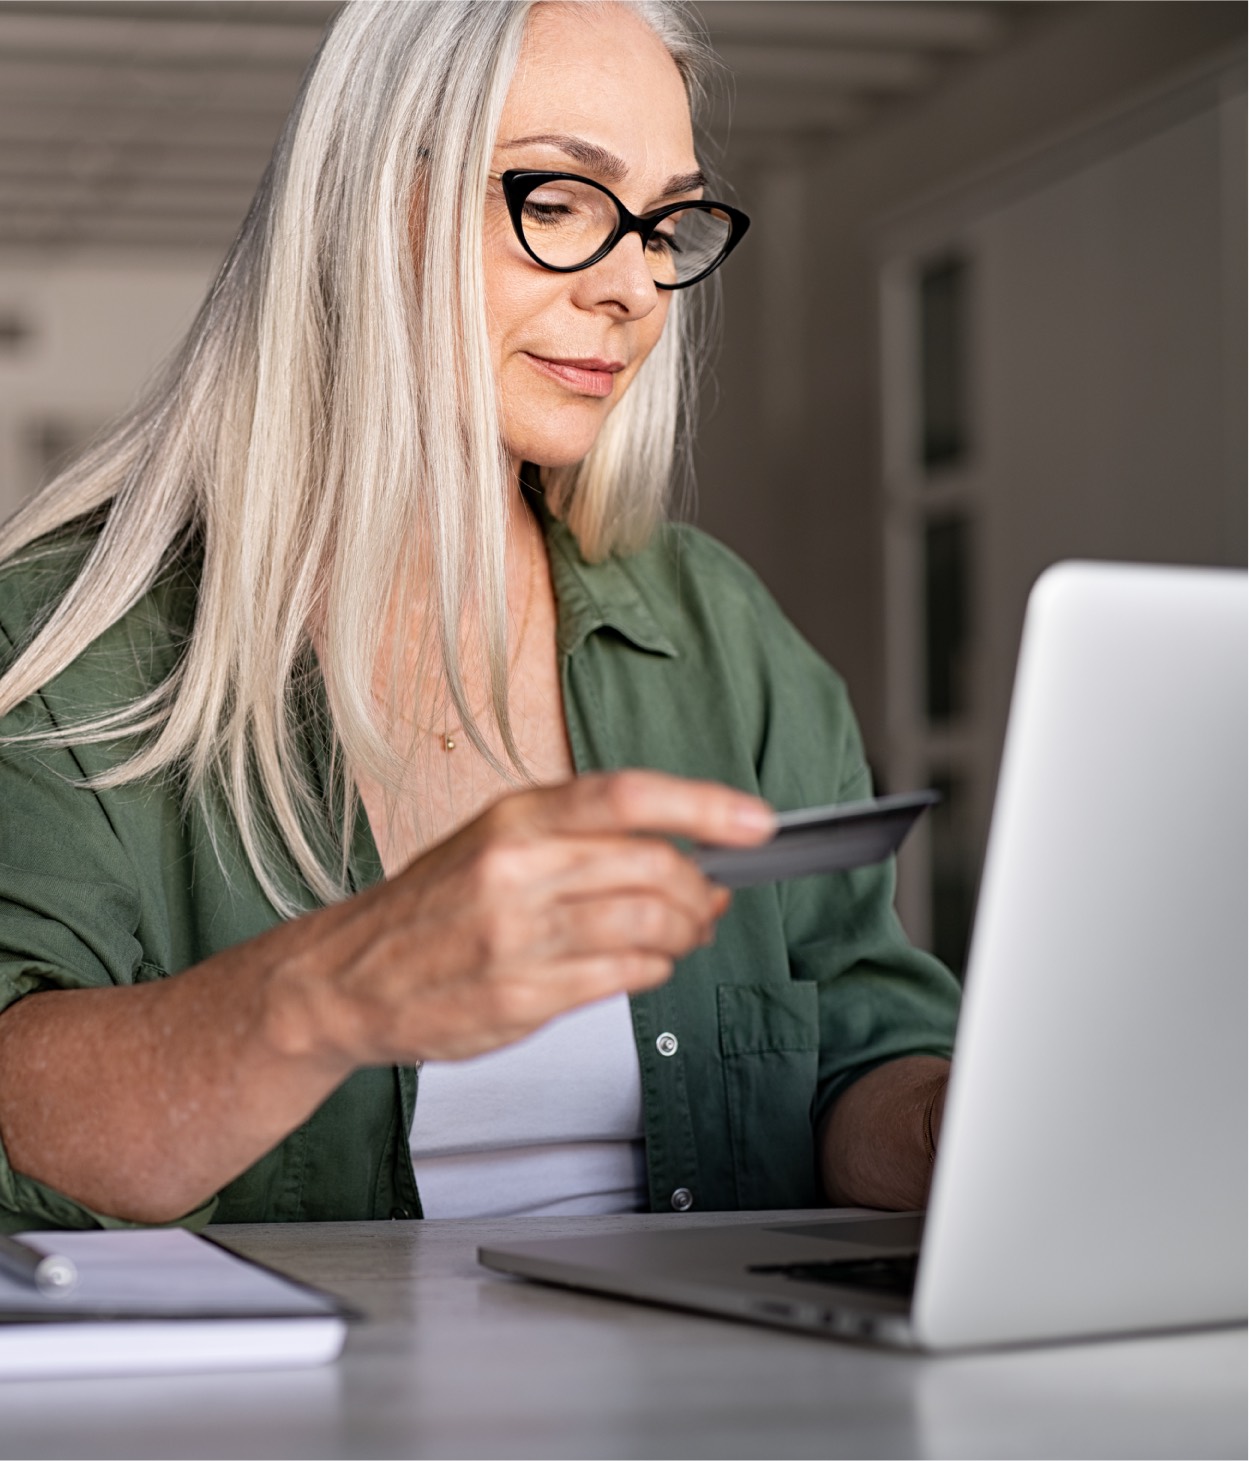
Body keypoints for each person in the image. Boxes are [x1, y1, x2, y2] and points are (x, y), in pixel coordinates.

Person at [0, 0, 959, 1232]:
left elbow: (854, 1052)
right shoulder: (62, 645)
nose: (635, 287)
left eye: (666, 222)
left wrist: (967, 1134)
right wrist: (336, 990)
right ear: (359, 206)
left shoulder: (718, 630)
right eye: (558, 202)